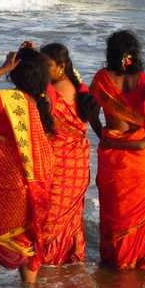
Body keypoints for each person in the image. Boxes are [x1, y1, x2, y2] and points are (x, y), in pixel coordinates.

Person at [0, 44, 55, 287]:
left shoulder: (12, 100)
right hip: (30, 187)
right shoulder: (43, 102)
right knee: (27, 236)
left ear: (16, 74)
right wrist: (33, 60)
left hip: (2, 189)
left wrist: (3, 68)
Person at [88, 30, 145, 270]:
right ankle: (138, 260)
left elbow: (91, 110)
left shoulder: (102, 78)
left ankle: (116, 260)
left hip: (114, 152)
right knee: (141, 211)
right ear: (134, 54)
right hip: (141, 153)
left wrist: (101, 132)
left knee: (115, 209)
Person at [39, 43, 97, 266]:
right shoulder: (80, 86)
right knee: (69, 217)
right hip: (79, 164)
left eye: (48, 65)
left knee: (51, 218)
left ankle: (48, 263)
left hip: (60, 164)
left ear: (61, 66)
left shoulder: (52, 92)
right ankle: (67, 260)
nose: (44, 70)